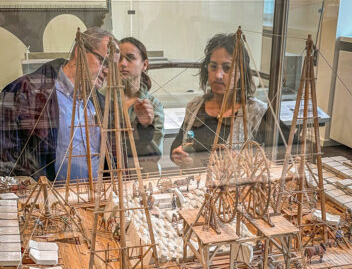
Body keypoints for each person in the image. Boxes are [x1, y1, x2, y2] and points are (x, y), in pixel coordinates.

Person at [0, 27, 117, 181]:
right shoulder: (26, 91)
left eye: (112, 66)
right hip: (50, 201)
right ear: (79, 52)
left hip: (97, 200)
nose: (107, 71)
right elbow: (6, 157)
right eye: (104, 62)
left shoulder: (101, 104)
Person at [170, 33, 266, 168]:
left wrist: (245, 160)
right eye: (213, 66)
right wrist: (178, 155)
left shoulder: (256, 111)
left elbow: (284, 151)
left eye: (227, 68)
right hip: (194, 184)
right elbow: (178, 144)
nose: (218, 75)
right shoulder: (195, 106)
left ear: (241, 72)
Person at [118, 37, 164, 173]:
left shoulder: (154, 105)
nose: (123, 64)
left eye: (130, 58)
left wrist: (146, 127)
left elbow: (155, 152)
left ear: (144, 65)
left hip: (144, 173)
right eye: (118, 58)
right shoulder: (102, 99)